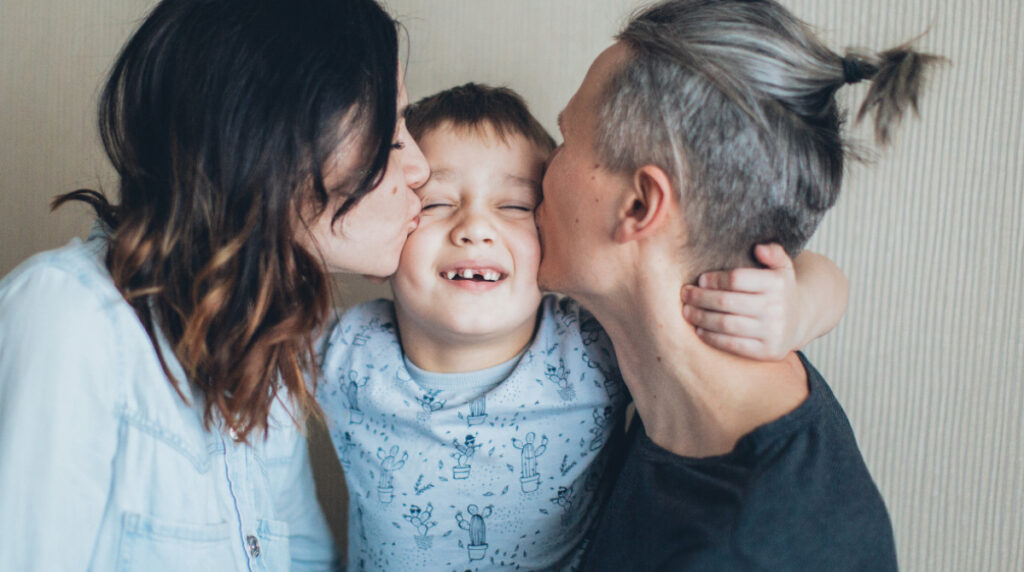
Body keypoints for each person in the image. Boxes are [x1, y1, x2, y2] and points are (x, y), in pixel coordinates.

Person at [317, 83, 850, 570]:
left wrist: (796, 305)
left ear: (550, 232)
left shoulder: (591, 345)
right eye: (436, 203)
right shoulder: (345, 350)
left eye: (515, 205)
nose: (475, 228)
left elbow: (820, 274)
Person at [0, 0, 429, 569]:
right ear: (280, 134)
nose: (420, 166)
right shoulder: (68, 320)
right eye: (392, 131)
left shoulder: (267, 354)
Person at [535, 0, 944, 569]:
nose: (539, 171)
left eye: (563, 139)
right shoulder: (683, 394)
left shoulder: (748, 548)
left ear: (639, 204)